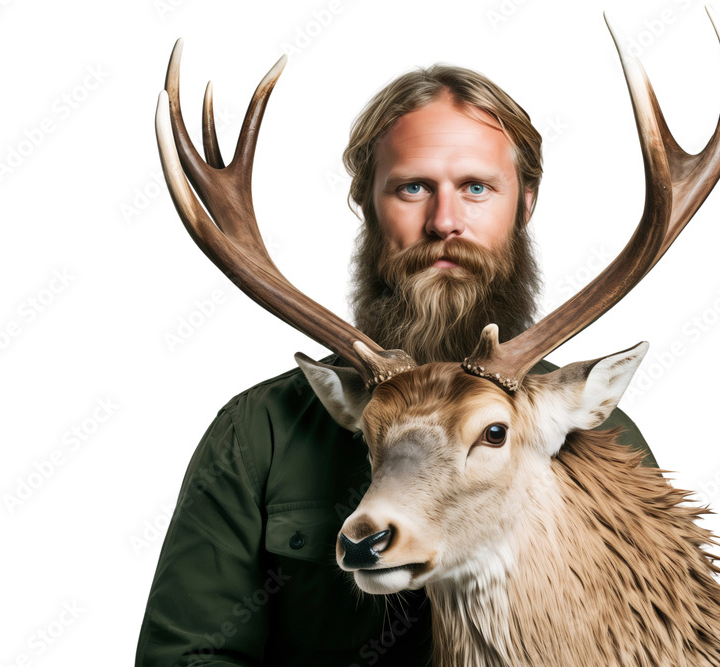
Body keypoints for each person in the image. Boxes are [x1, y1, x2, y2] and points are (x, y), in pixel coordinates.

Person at [135, 63, 657, 666]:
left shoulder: (601, 436)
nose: (444, 223)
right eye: (412, 187)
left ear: (525, 204)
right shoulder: (263, 433)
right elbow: (188, 659)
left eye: (477, 188)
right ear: (365, 203)